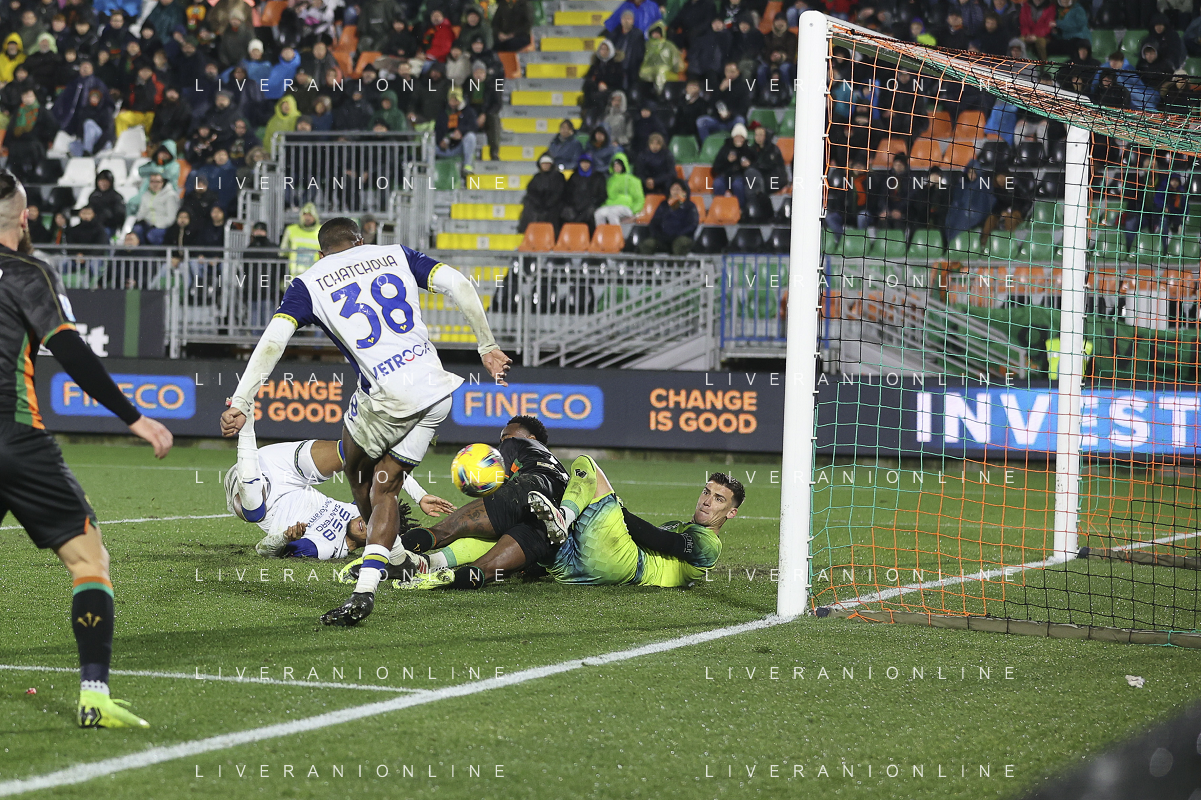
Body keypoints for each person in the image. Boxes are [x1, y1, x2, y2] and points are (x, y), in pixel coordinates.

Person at [218, 217, 511, 626]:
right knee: (386, 484)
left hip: (386, 397)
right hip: (438, 391)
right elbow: (460, 284)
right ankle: (391, 566)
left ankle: (377, 575)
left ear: (320, 253)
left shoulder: (308, 282)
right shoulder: (396, 254)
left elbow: (273, 342)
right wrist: (487, 346)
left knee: (363, 479)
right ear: (361, 240)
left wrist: (242, 400)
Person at [0, 169, 173, 728]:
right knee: (88, 560)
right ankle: (94, 695)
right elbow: (70, 351)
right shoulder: (27, 272)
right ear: (23, 216)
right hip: (15, 437)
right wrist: (134, 417)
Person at [384, 415, 570, 590]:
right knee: (485, 569)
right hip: (552, 519)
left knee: (443, 531)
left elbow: (497, 479)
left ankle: (383, 557)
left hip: (527, 489)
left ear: (531, 438)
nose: (503, 442)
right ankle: (450, 578)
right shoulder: (563, 473)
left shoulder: (517, 443)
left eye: (506, 437)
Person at [225, 435, 455, 559]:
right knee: (357, 452)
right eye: (374, 519)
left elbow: (264, 550)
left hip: (255, 496)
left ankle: (246, 430)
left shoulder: (327, 548)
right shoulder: (357, 511)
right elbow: (380, 471)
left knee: (254, 512)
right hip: (287, 469)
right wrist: (419, 495)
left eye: (375, 529)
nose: (368, 522)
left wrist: (283, 538)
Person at [524, 462, 741, 588]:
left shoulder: (709, 544)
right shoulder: (678, 525)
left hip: (628, 565)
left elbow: (663, 541)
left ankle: (564, 516)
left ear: (731, 513)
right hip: (579, 571)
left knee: (587, 466)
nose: (707, 501)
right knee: (535, 519)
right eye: (706, 492)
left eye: (719, 499)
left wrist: (620, 511)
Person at [639, 178, 698, 255]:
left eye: (678, 189)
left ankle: (678, 263)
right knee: (648, 244)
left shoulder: (690, 206)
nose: (675, 192)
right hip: (663, 239)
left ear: (684, 192)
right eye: (673, 189)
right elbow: (654, 223)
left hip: (681, 237)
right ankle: (646, 263)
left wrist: (677, 235)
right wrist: (660, 236)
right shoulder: (663, 205)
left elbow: (692, 225)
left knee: (681, 243)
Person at [518, 153, 566, 232]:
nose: (545, 166)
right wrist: (539, 203)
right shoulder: (536, 177)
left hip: (553, 205)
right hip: (538, 205)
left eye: (547, 164)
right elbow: (531, 192)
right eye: (544, 164)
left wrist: (547, 204)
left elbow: (559, 193)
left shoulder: (558, 177)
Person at [560, 153, 608, 232]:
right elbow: (567, 193)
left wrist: (593, 203)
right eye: (583, 163)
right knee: (566, 212)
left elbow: (602, 195)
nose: (585, 165)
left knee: (590, 214)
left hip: (591, 205)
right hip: (575, 206)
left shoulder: (599, 177)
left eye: (587, 163)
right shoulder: (574, 176)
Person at [434, 89, 479, 173]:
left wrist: (461, 132)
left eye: (456, 100)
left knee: (471, 137)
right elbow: (437, 129)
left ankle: (467, 165)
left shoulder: (468, 112)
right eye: (451, 100)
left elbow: (474, 126)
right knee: (429, 145)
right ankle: (428, 170)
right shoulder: (443, 112)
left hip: (459, 146)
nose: (453, 103)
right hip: (444, 147)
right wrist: (440, 141)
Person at [595, 151, 643, 226]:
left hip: (626, 206)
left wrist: (634, 210)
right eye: (615, 165)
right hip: (611, 205)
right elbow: (607, 196)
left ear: (624, 165)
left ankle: (616, 232)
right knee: (598, 213)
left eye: (619, 165)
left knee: (612, 213)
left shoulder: (631, 180)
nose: (616, 167)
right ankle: (602, 233)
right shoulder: (610, 180)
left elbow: (639, 198)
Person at [132, 173, 179, 245]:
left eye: (157, 182)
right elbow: (141, 212)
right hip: (147, 224)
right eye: (152, 181)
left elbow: (171, 218)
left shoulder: (170, 195)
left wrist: (156, 225)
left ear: (163, 182)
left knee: (152, 235)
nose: (155, 184)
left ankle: (157, 251)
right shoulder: (145, 195)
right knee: (136, 231)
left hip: (163, 226)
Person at [279, 201, 321, 277]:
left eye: (310, 215)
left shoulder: (322, 231)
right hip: (294, 275)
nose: (307, 218)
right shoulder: (291, 230)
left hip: (313, 276)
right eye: (305, 215)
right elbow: (283, 252)